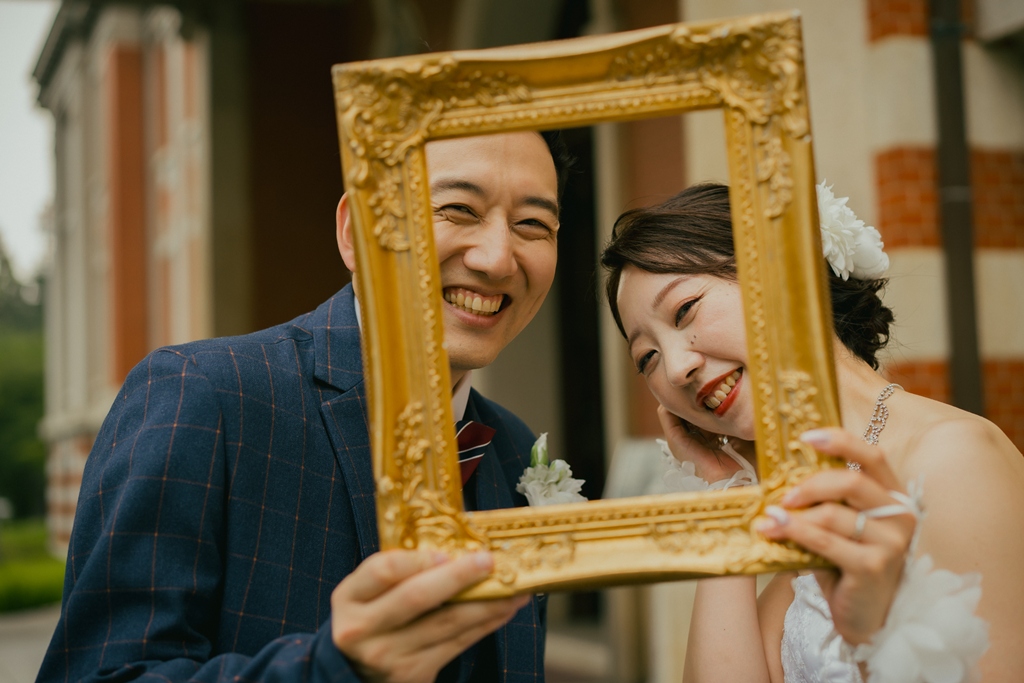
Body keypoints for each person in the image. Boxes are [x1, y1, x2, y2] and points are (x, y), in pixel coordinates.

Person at [37, 130, 572, 683]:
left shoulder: (514, 448)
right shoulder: (202, 396)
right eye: (458, 209)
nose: (497, 259)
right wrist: (335, 667)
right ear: (356, 231)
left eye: (533, 224)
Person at [600, 182, 1024, 682]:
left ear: (782, 272)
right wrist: (723, 493)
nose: (675, 369)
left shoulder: (954, 460)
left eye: (685, 310)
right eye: (647, 357)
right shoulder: (809, 503)